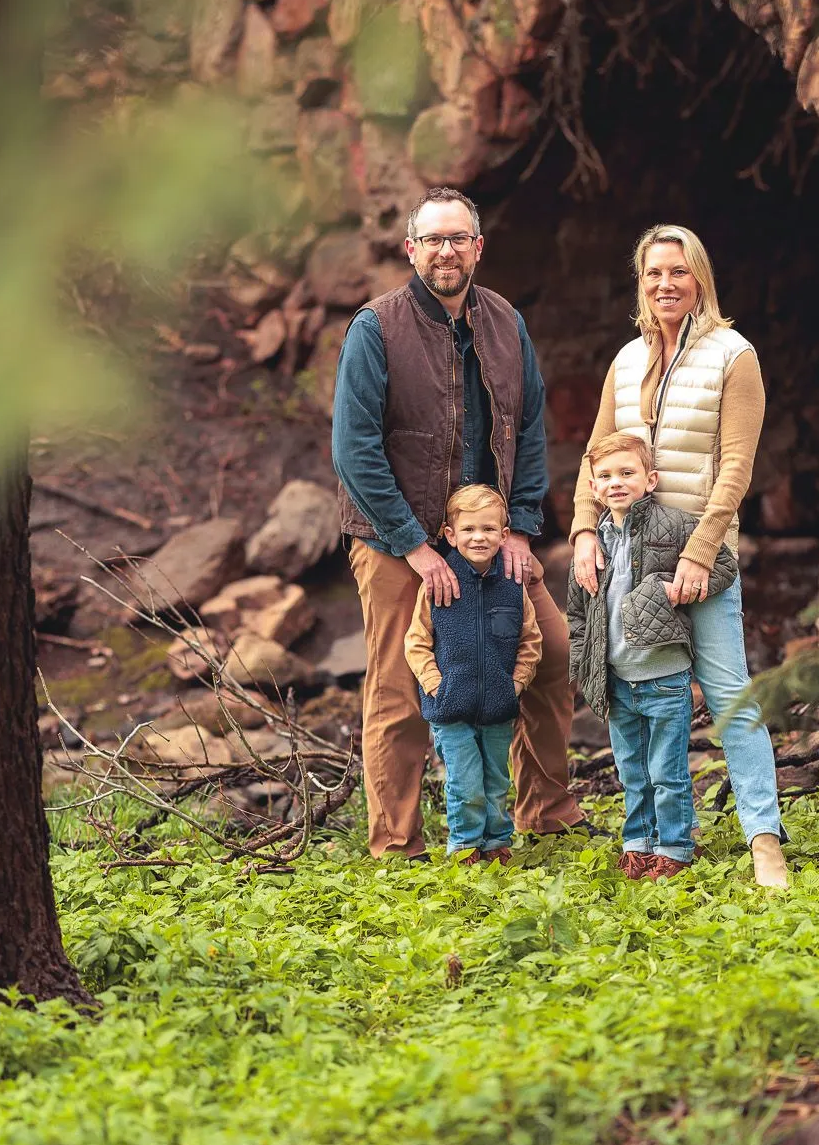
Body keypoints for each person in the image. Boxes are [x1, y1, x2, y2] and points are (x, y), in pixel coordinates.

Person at [332, 184, 584, 858]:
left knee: (552, 656)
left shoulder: (505, 321)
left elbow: (529, 430)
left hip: (488, 539)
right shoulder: (375, 327)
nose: (446, 250)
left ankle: (545, 810)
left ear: (478, 247)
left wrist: (522, 530)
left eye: (458, 238)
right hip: (395, 540)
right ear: (410, 248)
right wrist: (414, 546)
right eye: (432, 239)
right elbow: (352, 448)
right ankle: (397, 847)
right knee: (398, 690)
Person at [569, 225, 789, 889]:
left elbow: (736, 464)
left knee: (726, 693)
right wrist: (583, 530)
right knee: (632, 690)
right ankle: (654, 836)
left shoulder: (733, 355)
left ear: (699, 279)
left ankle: (763, 839)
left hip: (700, 554)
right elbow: (595, 453)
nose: (665, 285)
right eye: (653, 274)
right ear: (641, 284)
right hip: (628, 556)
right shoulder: (625, 360)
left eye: (678, 272)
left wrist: (699, 550)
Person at [567, 433, 736, 880]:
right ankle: (638, 843)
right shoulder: (593, 544)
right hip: (617, 679)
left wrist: (676, 588)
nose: (616, 483)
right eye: (605, 476)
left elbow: (724, 564)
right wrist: (585, 668)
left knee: (667, 771)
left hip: (664, 677)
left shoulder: (674, 524)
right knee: (631, 770)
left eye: (627, 473)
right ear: (592, 485)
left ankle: (675, 847)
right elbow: (578, 616)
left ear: (650, 479)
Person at [404, 485, 543, 863]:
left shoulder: (513, 585)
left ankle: (497, 842)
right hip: (451, 708)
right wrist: (438, 686)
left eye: (487, 529)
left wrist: (514, 685)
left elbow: (530, 639)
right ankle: (464, 846)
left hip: (499, 706)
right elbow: (416, 642)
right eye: (468, 530)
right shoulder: (438, 582)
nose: (478, 537)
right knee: (466, 784)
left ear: (503, 534)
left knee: (497, 781)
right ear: (450, 534)